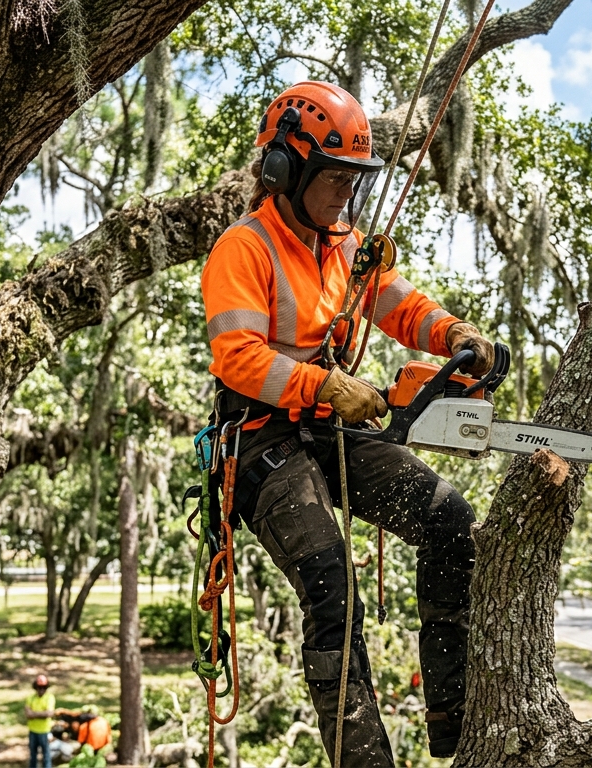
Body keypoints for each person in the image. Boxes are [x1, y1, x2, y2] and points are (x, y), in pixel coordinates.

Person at [200, 80, 494, 766]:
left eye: (352, 178)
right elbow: (237, 358)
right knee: (332, 582)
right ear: (283, 170)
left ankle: (453, 710)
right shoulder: (243, 248)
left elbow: (399, 304)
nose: (344, 191)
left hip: (333, 429)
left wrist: (454, 332)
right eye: (332, 176)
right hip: (261, 442)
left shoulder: (346, 245)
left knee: (452, 522)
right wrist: (325, 382)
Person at [24, 674, 56, 768]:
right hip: (33, 731)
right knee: (33, 756)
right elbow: (28, 714)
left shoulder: (49, 697)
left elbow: (49, 713)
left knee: (46, 756)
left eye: (44, 687)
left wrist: (34, 714)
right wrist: (41, 714)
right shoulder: (30, 698)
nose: (41, 690)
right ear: (36, 687)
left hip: (44, 731)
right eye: (39, 687)